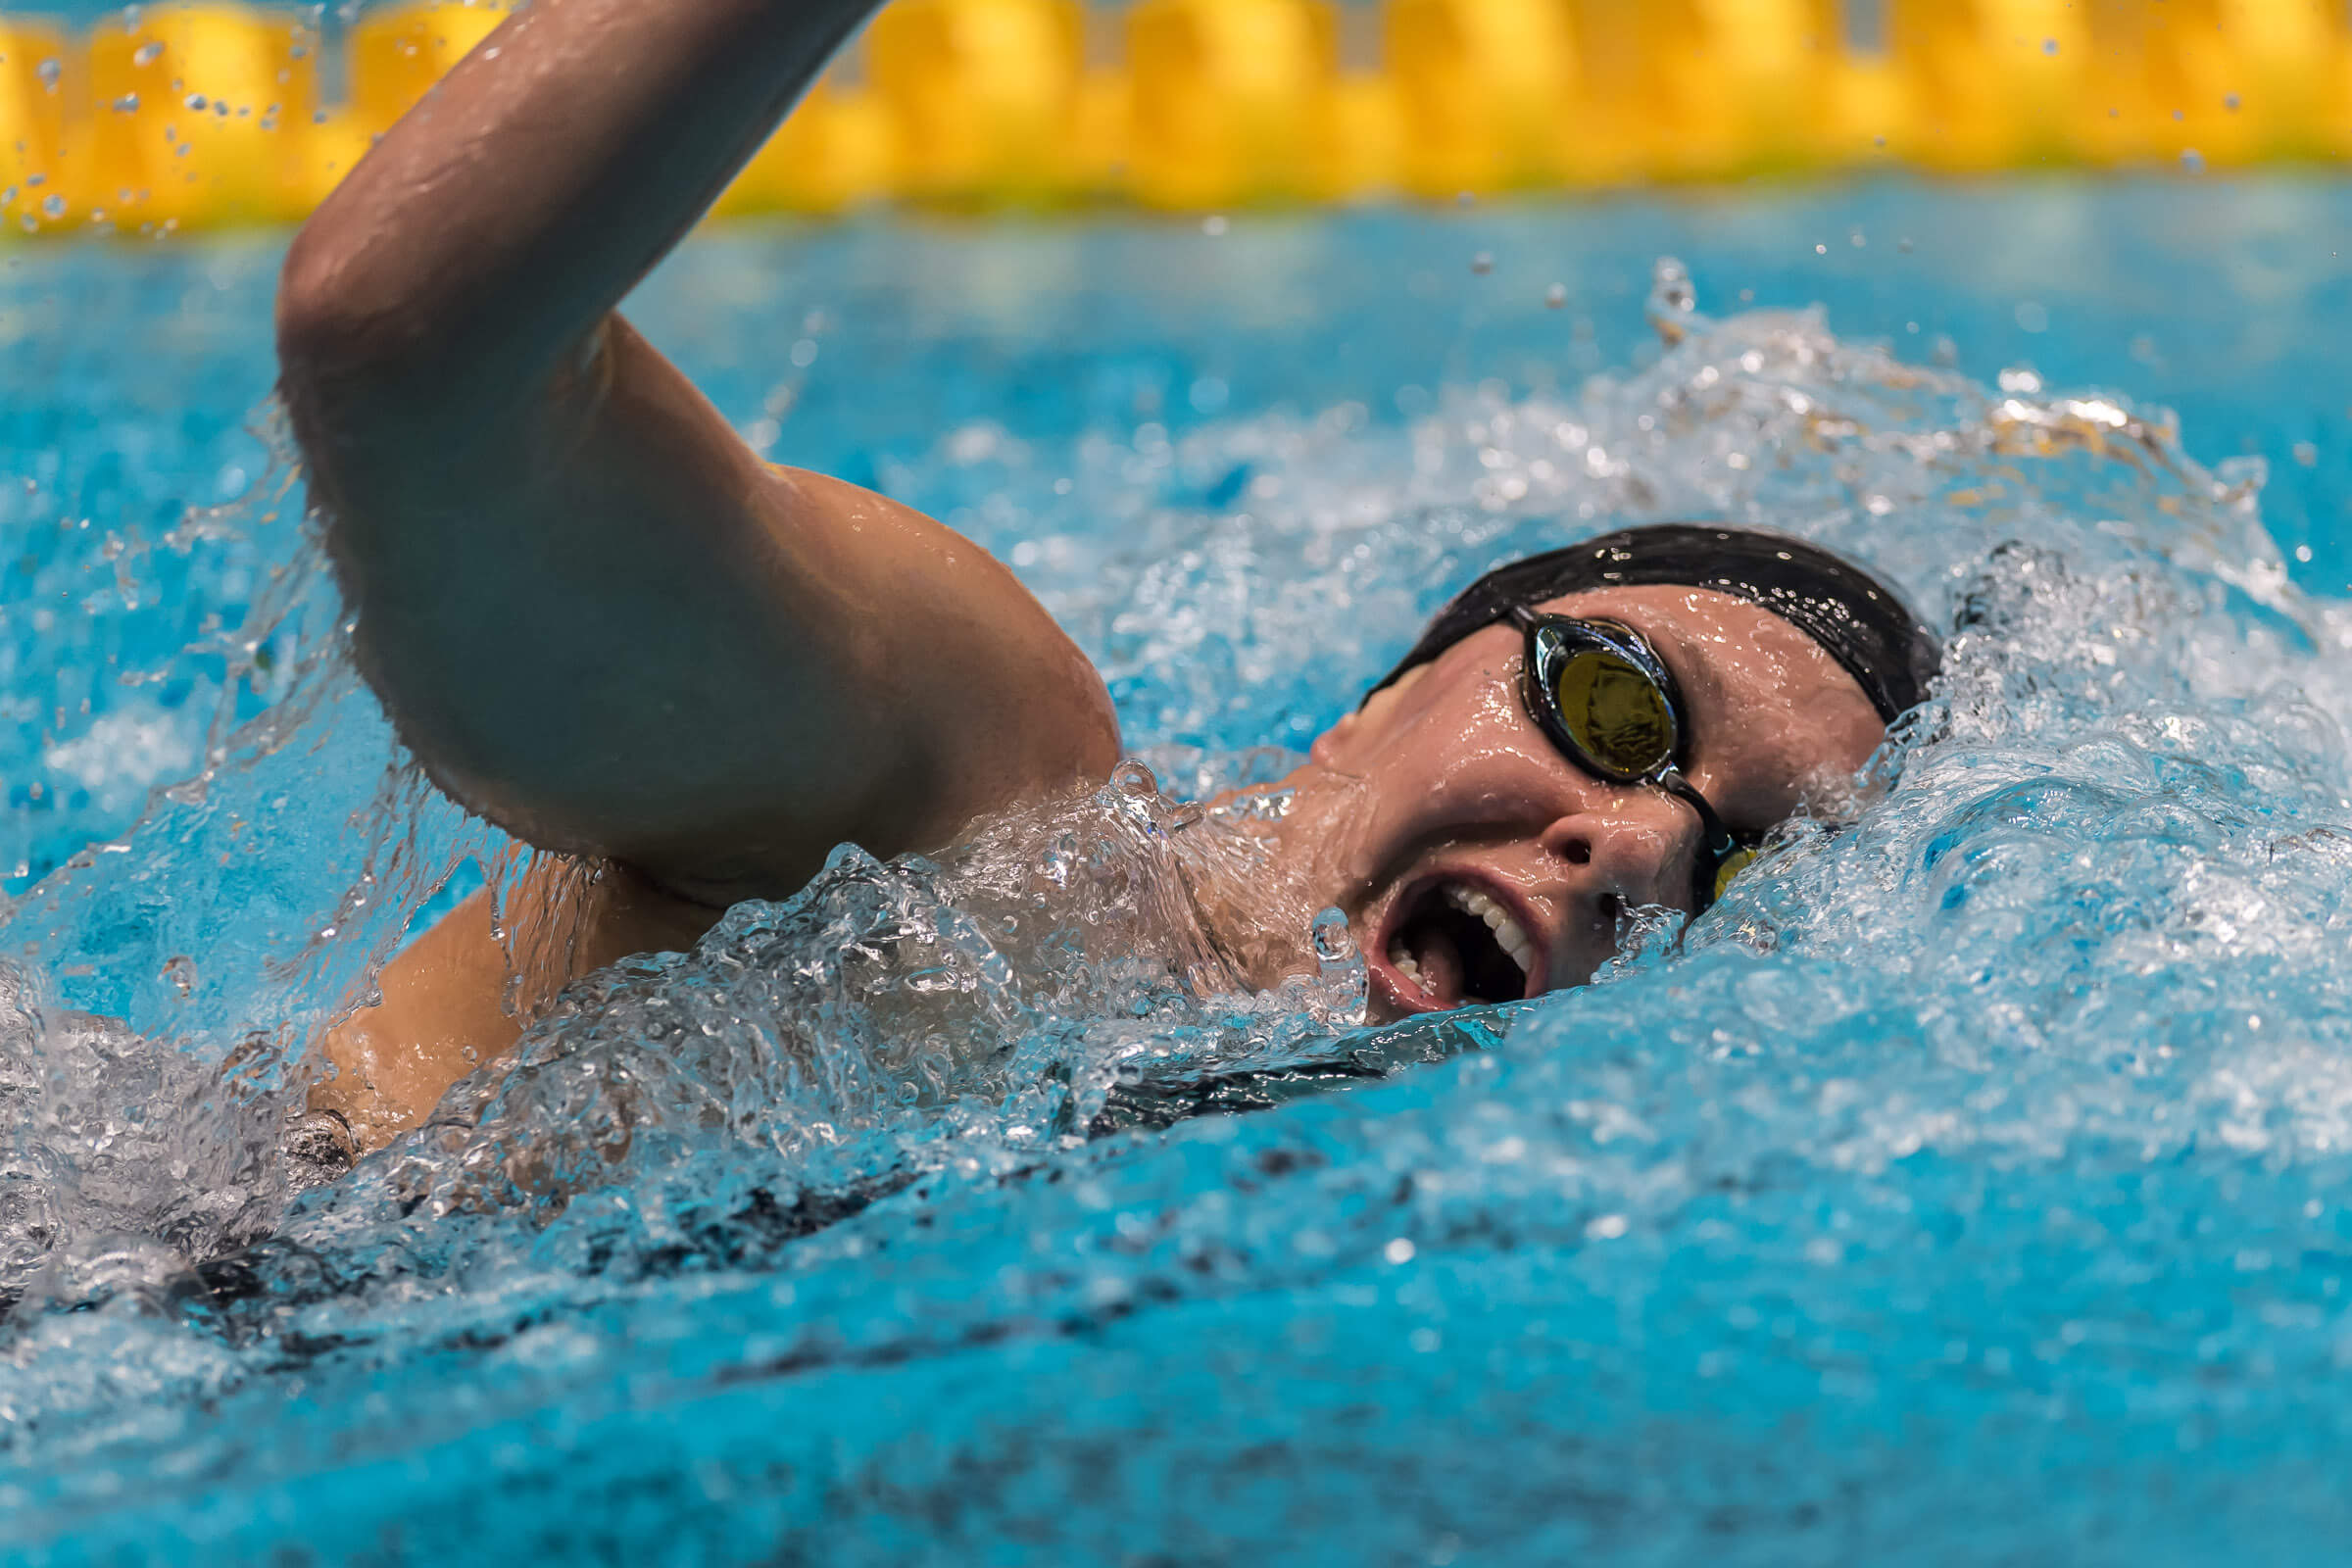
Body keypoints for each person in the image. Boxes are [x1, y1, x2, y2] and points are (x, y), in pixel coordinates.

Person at [272, 0, 1940, 1152]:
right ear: (1373, 710)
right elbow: (411, 355)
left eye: (1737, 877)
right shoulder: (988, 811)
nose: (1640, 846)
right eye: (1614, 705)